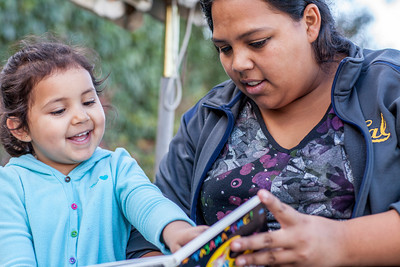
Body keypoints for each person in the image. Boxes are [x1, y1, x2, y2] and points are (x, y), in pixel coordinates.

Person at [126, 0, 400, 265]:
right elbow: (149, 231)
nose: (239, 63)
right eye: (225, 48)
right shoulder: (209, 116)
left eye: (257, 42)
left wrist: (341, 242)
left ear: (310, 22)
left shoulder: (387, 89)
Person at [0, 35, 208, 267]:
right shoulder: (10, 185)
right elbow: (14, 257)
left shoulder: (117, 167)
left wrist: (177, 231)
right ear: (20, 128)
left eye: (89, 101)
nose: (81, 117)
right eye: (59, 110)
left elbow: (148, 204)